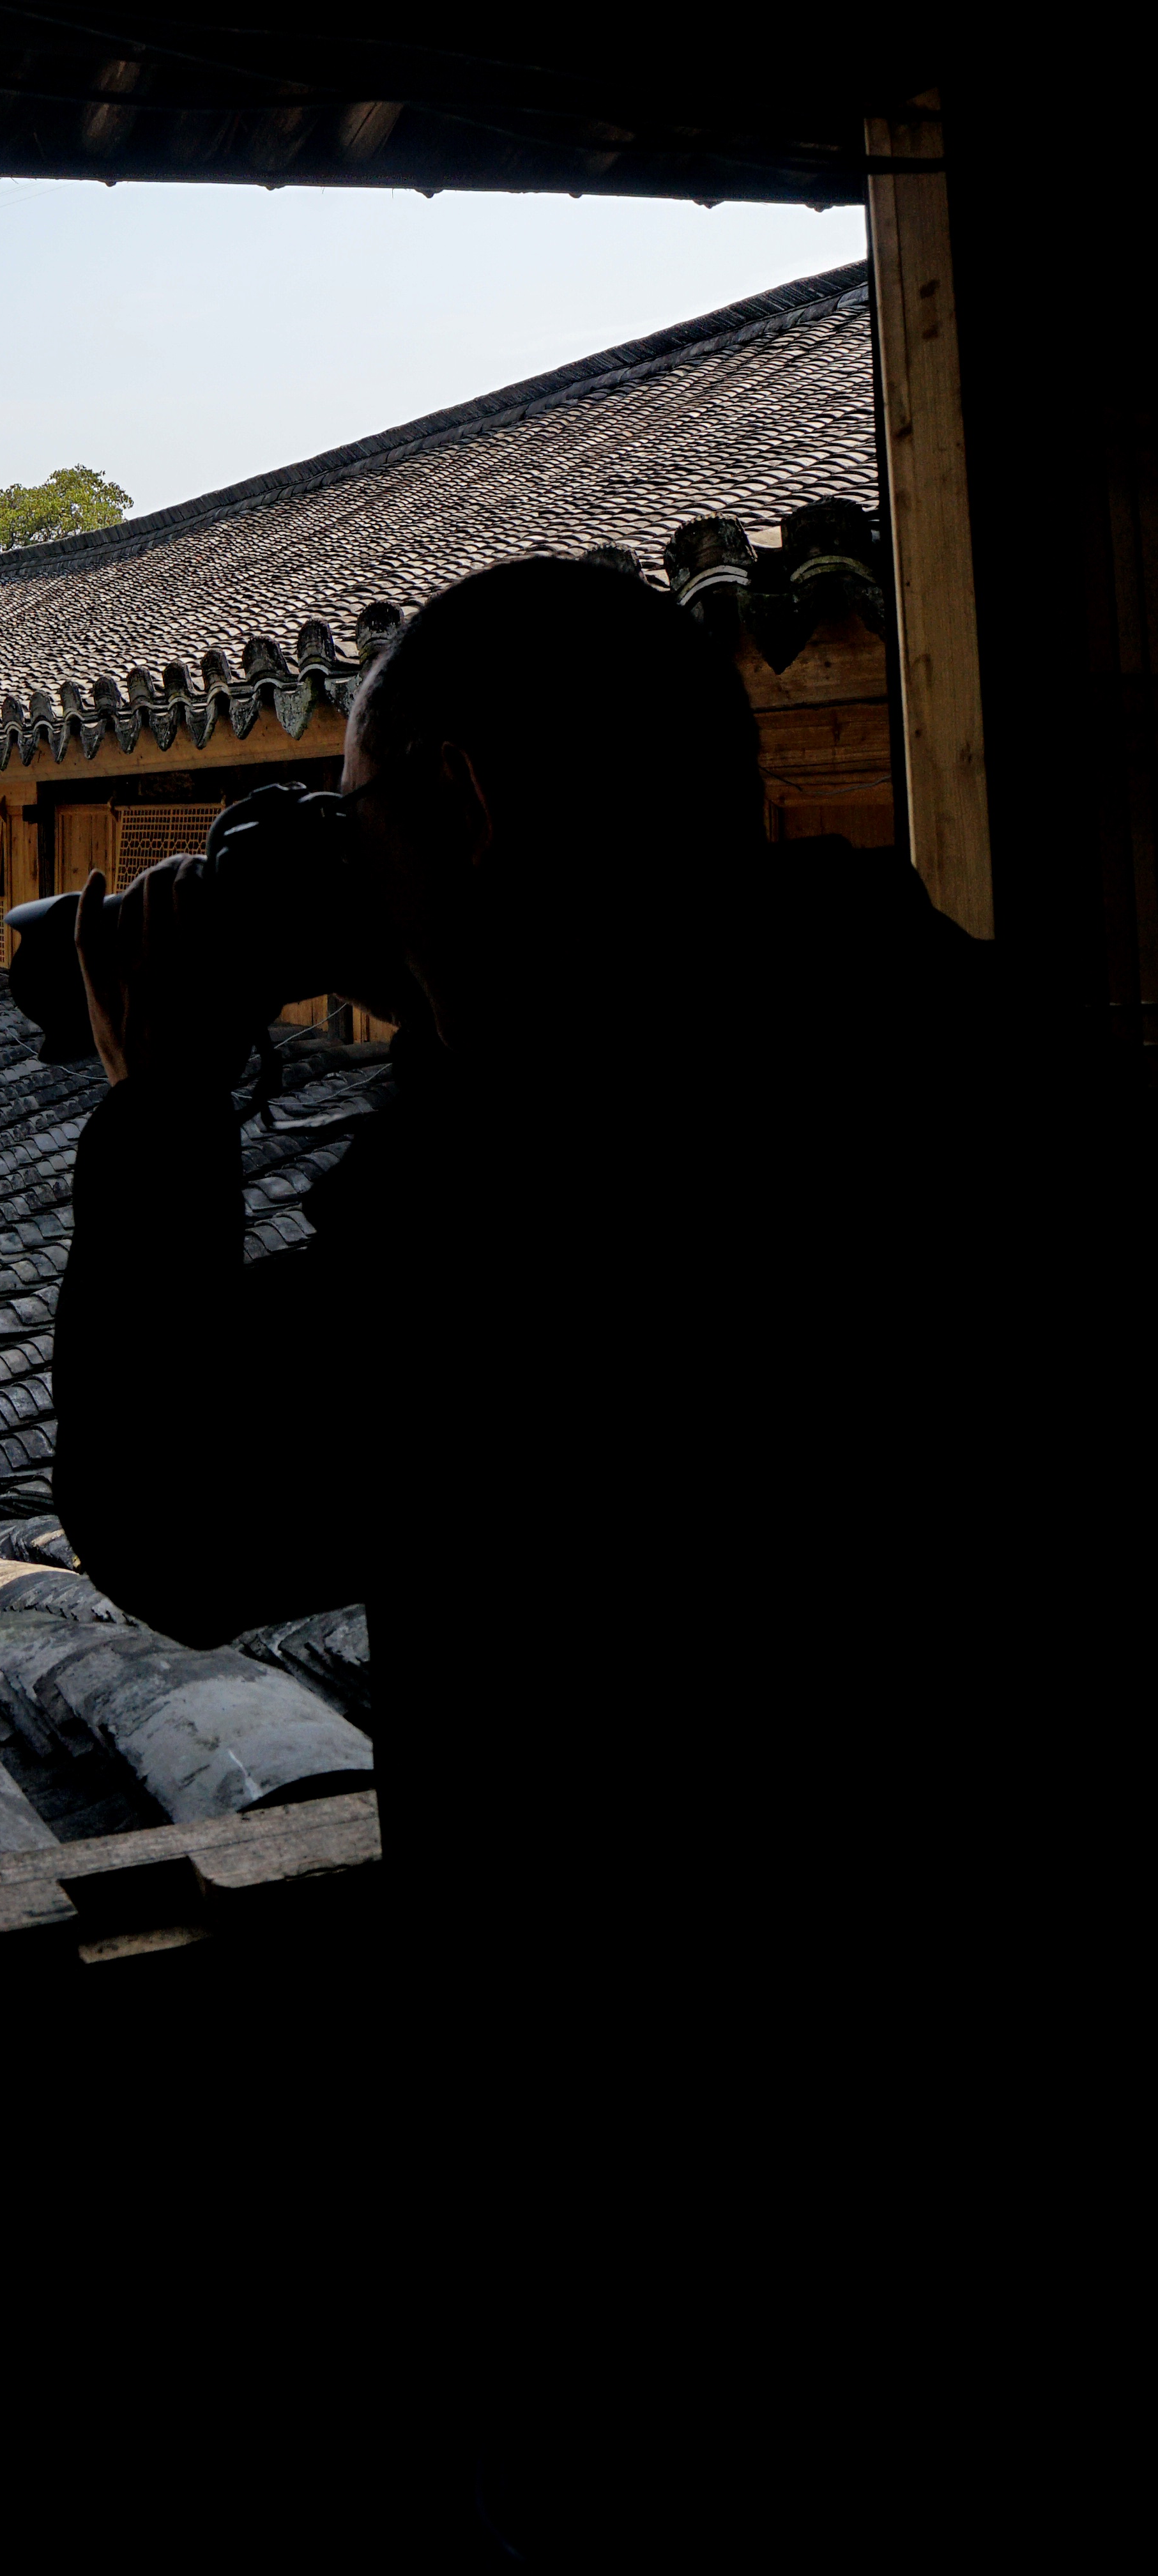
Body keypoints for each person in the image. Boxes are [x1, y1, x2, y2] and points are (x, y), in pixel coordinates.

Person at [52, 555, 1046, 2556]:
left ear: (472, 809)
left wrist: (165, 1097)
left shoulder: (543, 1180)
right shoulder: (951, 1029)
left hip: (654, 2182)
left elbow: (175, 1515)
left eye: (368, 817)